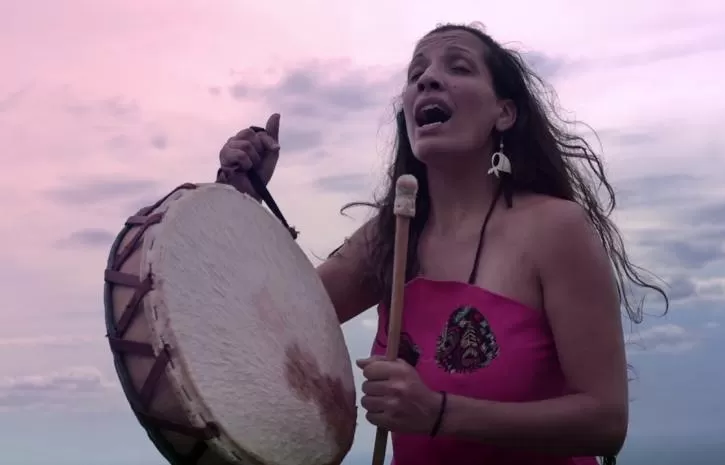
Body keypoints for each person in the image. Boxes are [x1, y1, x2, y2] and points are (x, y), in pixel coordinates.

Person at [217, 23, 668, 465]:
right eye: (416, 75)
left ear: (504, 113)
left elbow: (606, 421)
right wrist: (240, 198)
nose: (428, 78)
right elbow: (276, 319)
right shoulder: (391, 235)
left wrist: (439, 413)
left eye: (458, 68)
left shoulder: (555, 229)